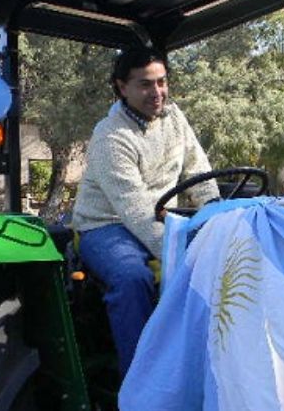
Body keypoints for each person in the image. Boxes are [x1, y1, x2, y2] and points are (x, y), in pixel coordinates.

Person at [71, 47, 219, 376]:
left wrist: (215, 217)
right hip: (106, 226)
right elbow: (134, 208)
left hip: (160, 219)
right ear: (122, 87)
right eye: (145, 85)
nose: (157, 93)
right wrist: (181, 253)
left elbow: (199, 172)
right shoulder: (111, 136)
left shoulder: (175, 118)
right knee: (132, 278)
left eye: (162, 83)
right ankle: (143, 381)